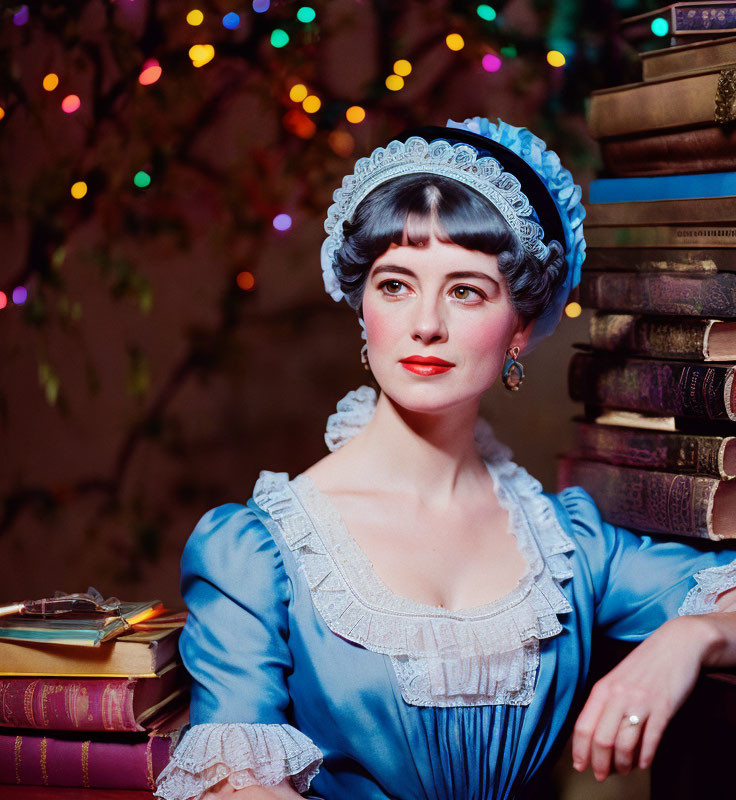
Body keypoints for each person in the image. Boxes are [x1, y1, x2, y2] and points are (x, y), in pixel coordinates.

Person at [154, 117, 736, 800]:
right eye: (395, 284)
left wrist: (689, 639)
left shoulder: (569, 548)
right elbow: (232, 788)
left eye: (466, 290)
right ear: (362, 307)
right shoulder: (257, 552)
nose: (425, 323)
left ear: (520, 326)